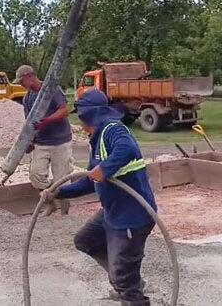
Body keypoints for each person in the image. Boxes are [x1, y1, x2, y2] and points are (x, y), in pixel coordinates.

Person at [41, 89, 156, 306]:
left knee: (123, 279)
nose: (80, 121)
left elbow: (128, 148)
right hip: (113, 211)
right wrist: (59, 192)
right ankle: (126, 279)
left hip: (133, 217)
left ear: (88, 115)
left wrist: (105, 169)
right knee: (86, 240)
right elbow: (89, 181)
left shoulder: (112, 129)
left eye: (81, 115)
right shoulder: (97, 139)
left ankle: (128, 288)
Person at [14, 64, 73, 215]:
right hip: (42, 142)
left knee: (63, 178)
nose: (21, 85)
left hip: (61, 141)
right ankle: (51, 203)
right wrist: (29, 141)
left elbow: (65, 110)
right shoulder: (28, 98)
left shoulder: (52, 89)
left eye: (21, 81)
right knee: (36, 175)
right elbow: (30, 124)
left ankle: (65, 211)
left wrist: (47, 121)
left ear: (29, 76)